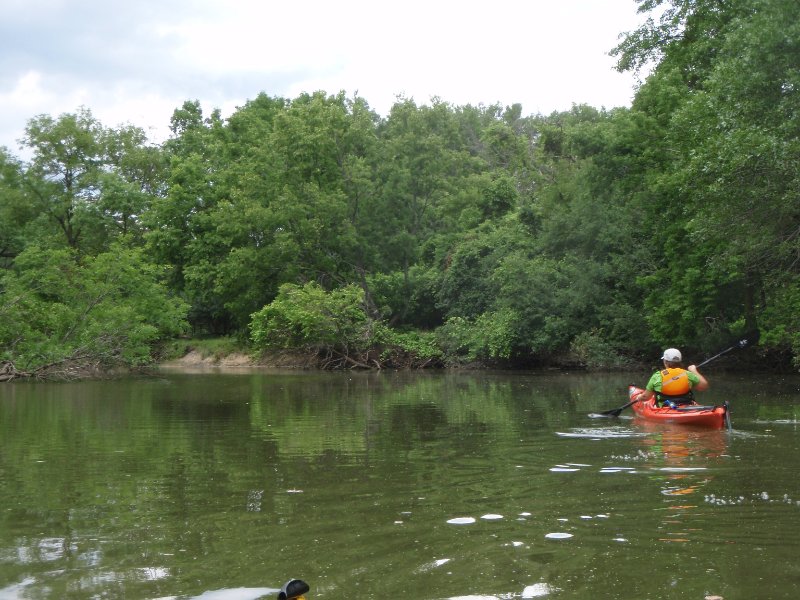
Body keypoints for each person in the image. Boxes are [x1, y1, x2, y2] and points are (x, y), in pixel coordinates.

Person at [634, 348, 709, 407]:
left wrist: (638, 397)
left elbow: (646, 397)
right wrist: (693, 370)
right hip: (686, 406)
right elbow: (703, 386)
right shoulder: (688, 374)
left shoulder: (657, 376)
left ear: (665, 362)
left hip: (665, 408)